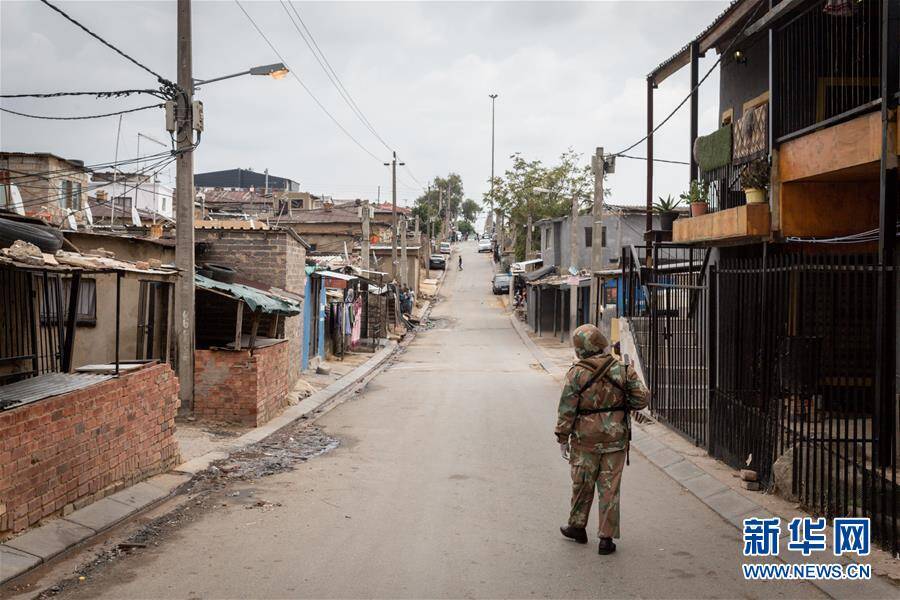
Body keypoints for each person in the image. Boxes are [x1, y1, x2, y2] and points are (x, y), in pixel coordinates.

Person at [555, 324, 648, 555]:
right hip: (615, 440)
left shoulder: (576, 373)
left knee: (582, 484)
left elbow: (567, 409)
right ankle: (606, 539)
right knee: (610, 488)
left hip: (584, 441)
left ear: (580, 349)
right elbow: (641, 400)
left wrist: (561, 438)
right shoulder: (623, 370)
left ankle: (577, 527)